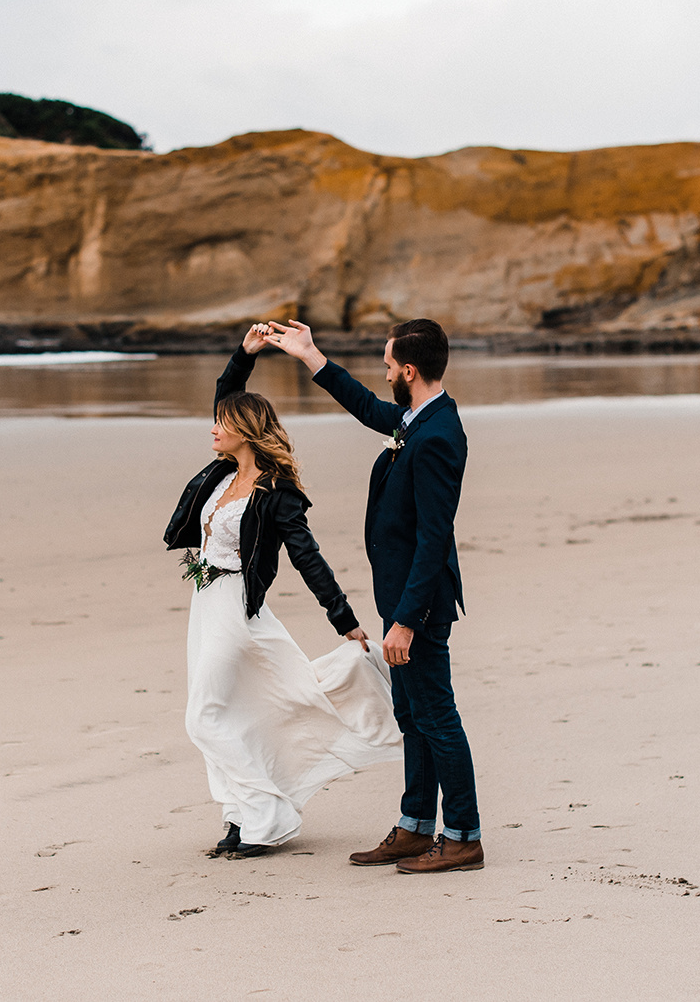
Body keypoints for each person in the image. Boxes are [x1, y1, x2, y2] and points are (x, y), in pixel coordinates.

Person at [163, 324, 401, 858]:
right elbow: (229, 393)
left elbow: (306, 556)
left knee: (203, 715)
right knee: (233, 711)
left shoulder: (277, 491)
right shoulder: (221, 476)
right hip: (205, 602)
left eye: (222, 424)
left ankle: (268, 814)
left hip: (237, 610)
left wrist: (344, 618)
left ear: (245, 431)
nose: (213, 430)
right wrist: (243, 355)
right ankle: (238, 816)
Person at [263, 317, 483, 873]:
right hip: (401, 597)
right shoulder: (416, 418)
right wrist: (311, 356)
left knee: (436, 717)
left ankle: (462, 836)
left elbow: (434, 539)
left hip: (420, 603)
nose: (383, 374)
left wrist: (407, 619)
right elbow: (366, 407)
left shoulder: (435, 436)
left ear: (408, 370)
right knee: (412, 715)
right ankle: (415, 826)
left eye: (387, 366)